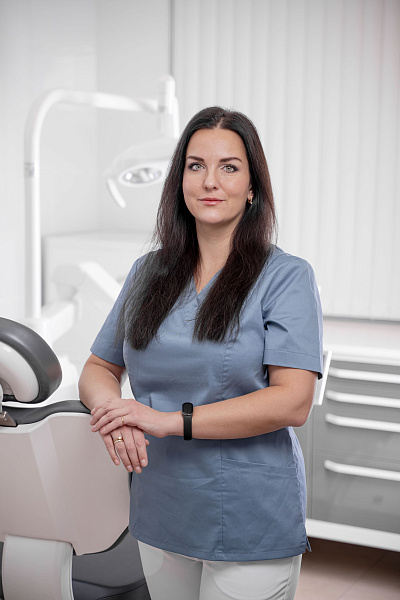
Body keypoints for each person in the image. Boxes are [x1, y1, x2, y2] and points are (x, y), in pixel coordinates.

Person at [79, 106, 323, 600]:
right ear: (180, 182)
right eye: (196, 166)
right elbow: (99, 367)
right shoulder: (148, 273)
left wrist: (165, 421)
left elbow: (293, 401)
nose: (210, 181)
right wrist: (115, 412)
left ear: (252, 187)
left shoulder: (286, 277)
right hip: (162, 506)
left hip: (248, 514)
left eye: (229, 167)